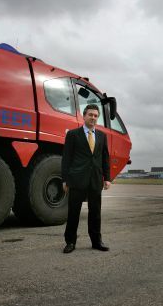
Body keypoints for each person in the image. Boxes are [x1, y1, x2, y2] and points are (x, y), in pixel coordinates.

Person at [62, 104, 111, 253]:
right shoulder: (72, 134)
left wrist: (107, 178)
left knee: (95, 212)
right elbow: (66, 159)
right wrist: (65, 180)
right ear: (84, 116)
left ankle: (96, 241)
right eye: (91, 115)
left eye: (96, 116)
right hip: (77, 179)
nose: (93, 118)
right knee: (73, 212)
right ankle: (70, 242)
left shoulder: (102, 136)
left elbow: (105, 158)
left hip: (95, 179)